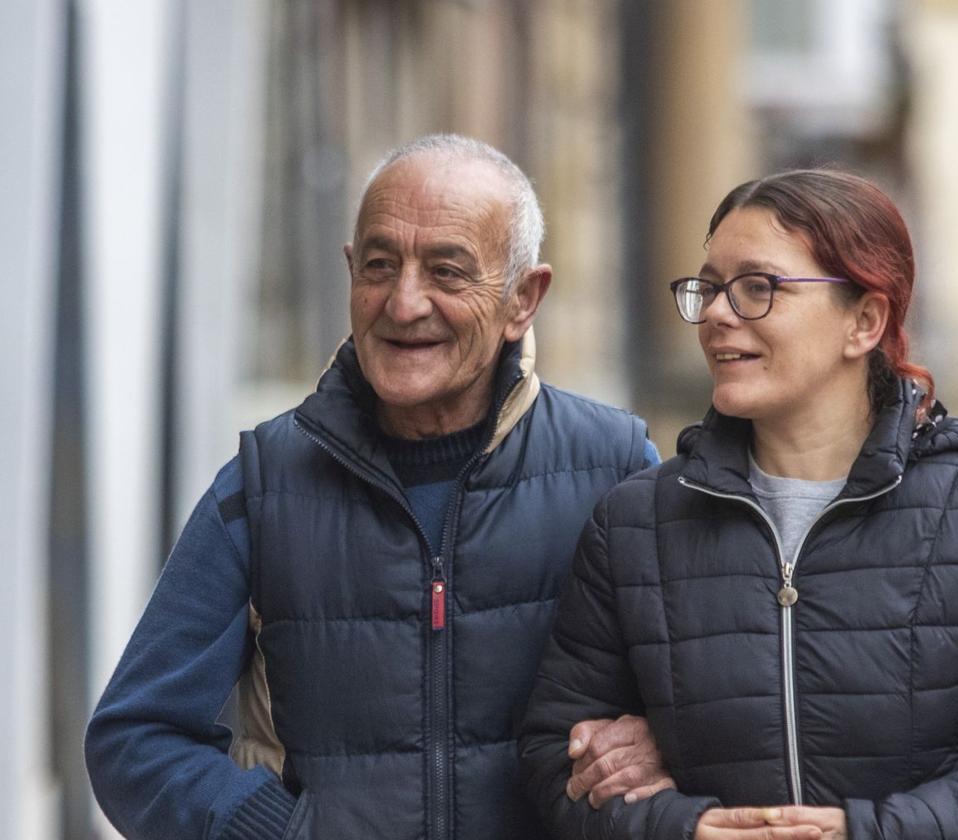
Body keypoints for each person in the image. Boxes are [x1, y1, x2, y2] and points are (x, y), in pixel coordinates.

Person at [85, 134, 673, 840]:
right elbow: (135, 738)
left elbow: (733, 690)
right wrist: (277, 833)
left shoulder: (614, 467)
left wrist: (662, 738)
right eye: (379, 265)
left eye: (448, 272)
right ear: (349, 273)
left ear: (524, 298)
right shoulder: (265, 484)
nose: (403, 302)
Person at [520, 169, 958, 839]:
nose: (717, 313)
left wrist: (864, 833)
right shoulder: (637, 524)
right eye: (710, 287)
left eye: (756, 288)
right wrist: (682, 829)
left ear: (864, 321)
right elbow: (552, 760)